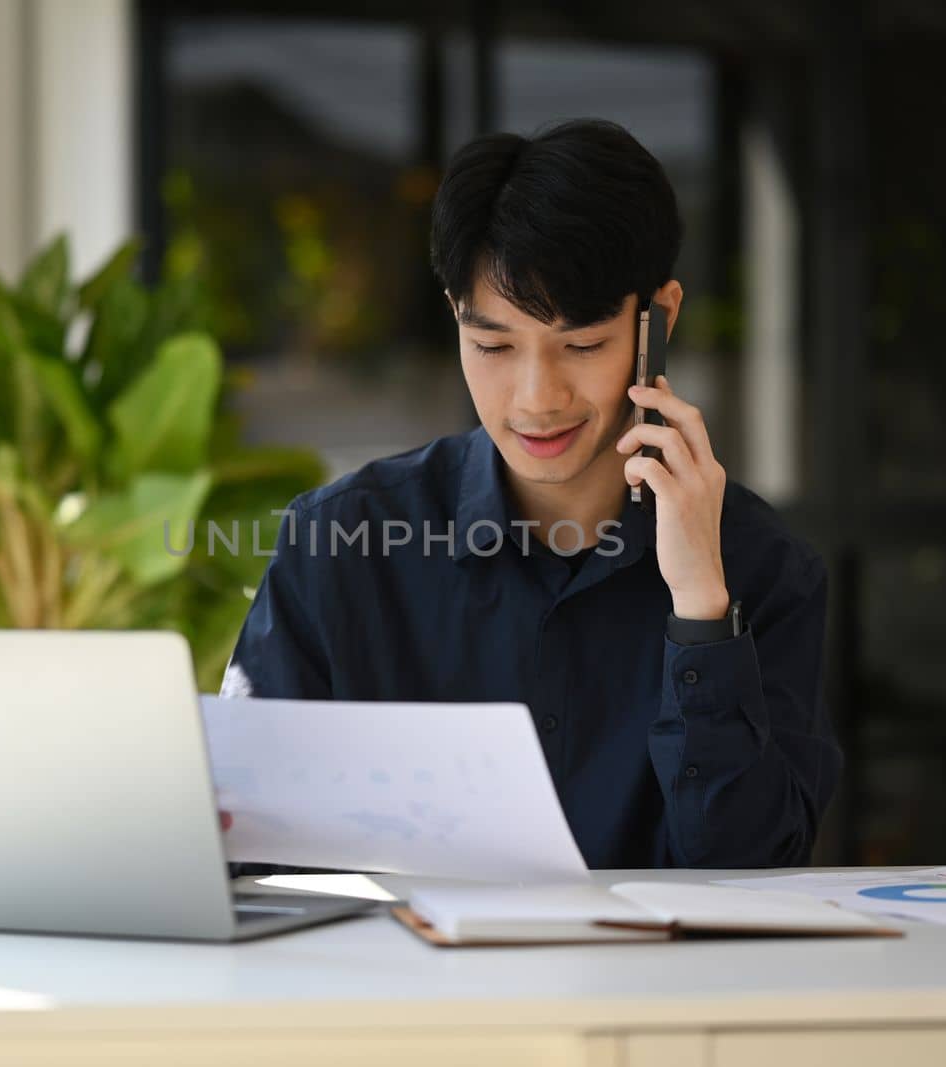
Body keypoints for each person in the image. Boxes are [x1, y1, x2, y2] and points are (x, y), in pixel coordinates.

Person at [219, 117, 841, 869]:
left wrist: (702, 611)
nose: (537, 398)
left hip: (655, 987)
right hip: (407, 981)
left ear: (659, 321)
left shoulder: (764, 570)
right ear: (455, 319)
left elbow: (756, 876)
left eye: (581, 345)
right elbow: (249, 855)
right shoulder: (341, 547)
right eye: (494, 347)